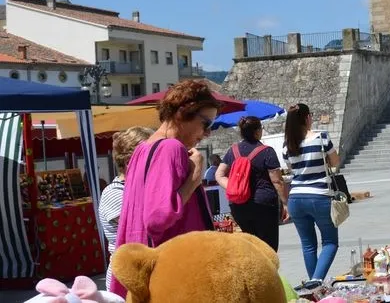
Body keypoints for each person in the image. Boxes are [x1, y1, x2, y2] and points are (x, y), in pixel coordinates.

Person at [110, 80, 220, 297]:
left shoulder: (142, 149)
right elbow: (157, 219)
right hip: (172, 274)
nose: (207, 133)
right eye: (206, 124)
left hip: (148, 271)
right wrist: (195, 179)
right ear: (183, 112)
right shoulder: (171, 148)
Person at [284, 103, 341, 285]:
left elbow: (292, 169)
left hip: (296, 198)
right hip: (320, 195)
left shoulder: (288, 144)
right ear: (307, 118)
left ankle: (313, 285)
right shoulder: (321, 137)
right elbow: (335, 162)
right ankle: (316, 281)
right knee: (330, 242)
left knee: (308, 245)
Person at [215, 116, 288, 251]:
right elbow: (277, 180)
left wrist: (234, 187)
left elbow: (219, 174)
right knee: (268, 247)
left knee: (252, 247)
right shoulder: (267, 151)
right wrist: (285, 203)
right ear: (257, 131)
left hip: (239, 206)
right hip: (264, 204)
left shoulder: (233, 151)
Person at [98, 126, 152, 289]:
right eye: (153, 158)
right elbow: (147, 228)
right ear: (131, 162)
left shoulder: (138, 188)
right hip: (127, 279)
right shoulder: (115, 193)